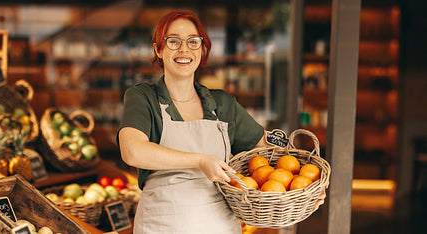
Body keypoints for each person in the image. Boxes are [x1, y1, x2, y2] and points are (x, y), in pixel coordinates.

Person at [118, 10, 325, 233]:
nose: (184, 49)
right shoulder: (143, 97)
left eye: (193, 41)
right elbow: (133, 151)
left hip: (218, 225)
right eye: (173, 41)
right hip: (162, 225)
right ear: (158, 49)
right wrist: (200, 161)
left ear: (202, 49)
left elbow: (268, 144)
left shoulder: (223, 104)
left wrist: (306, 182)